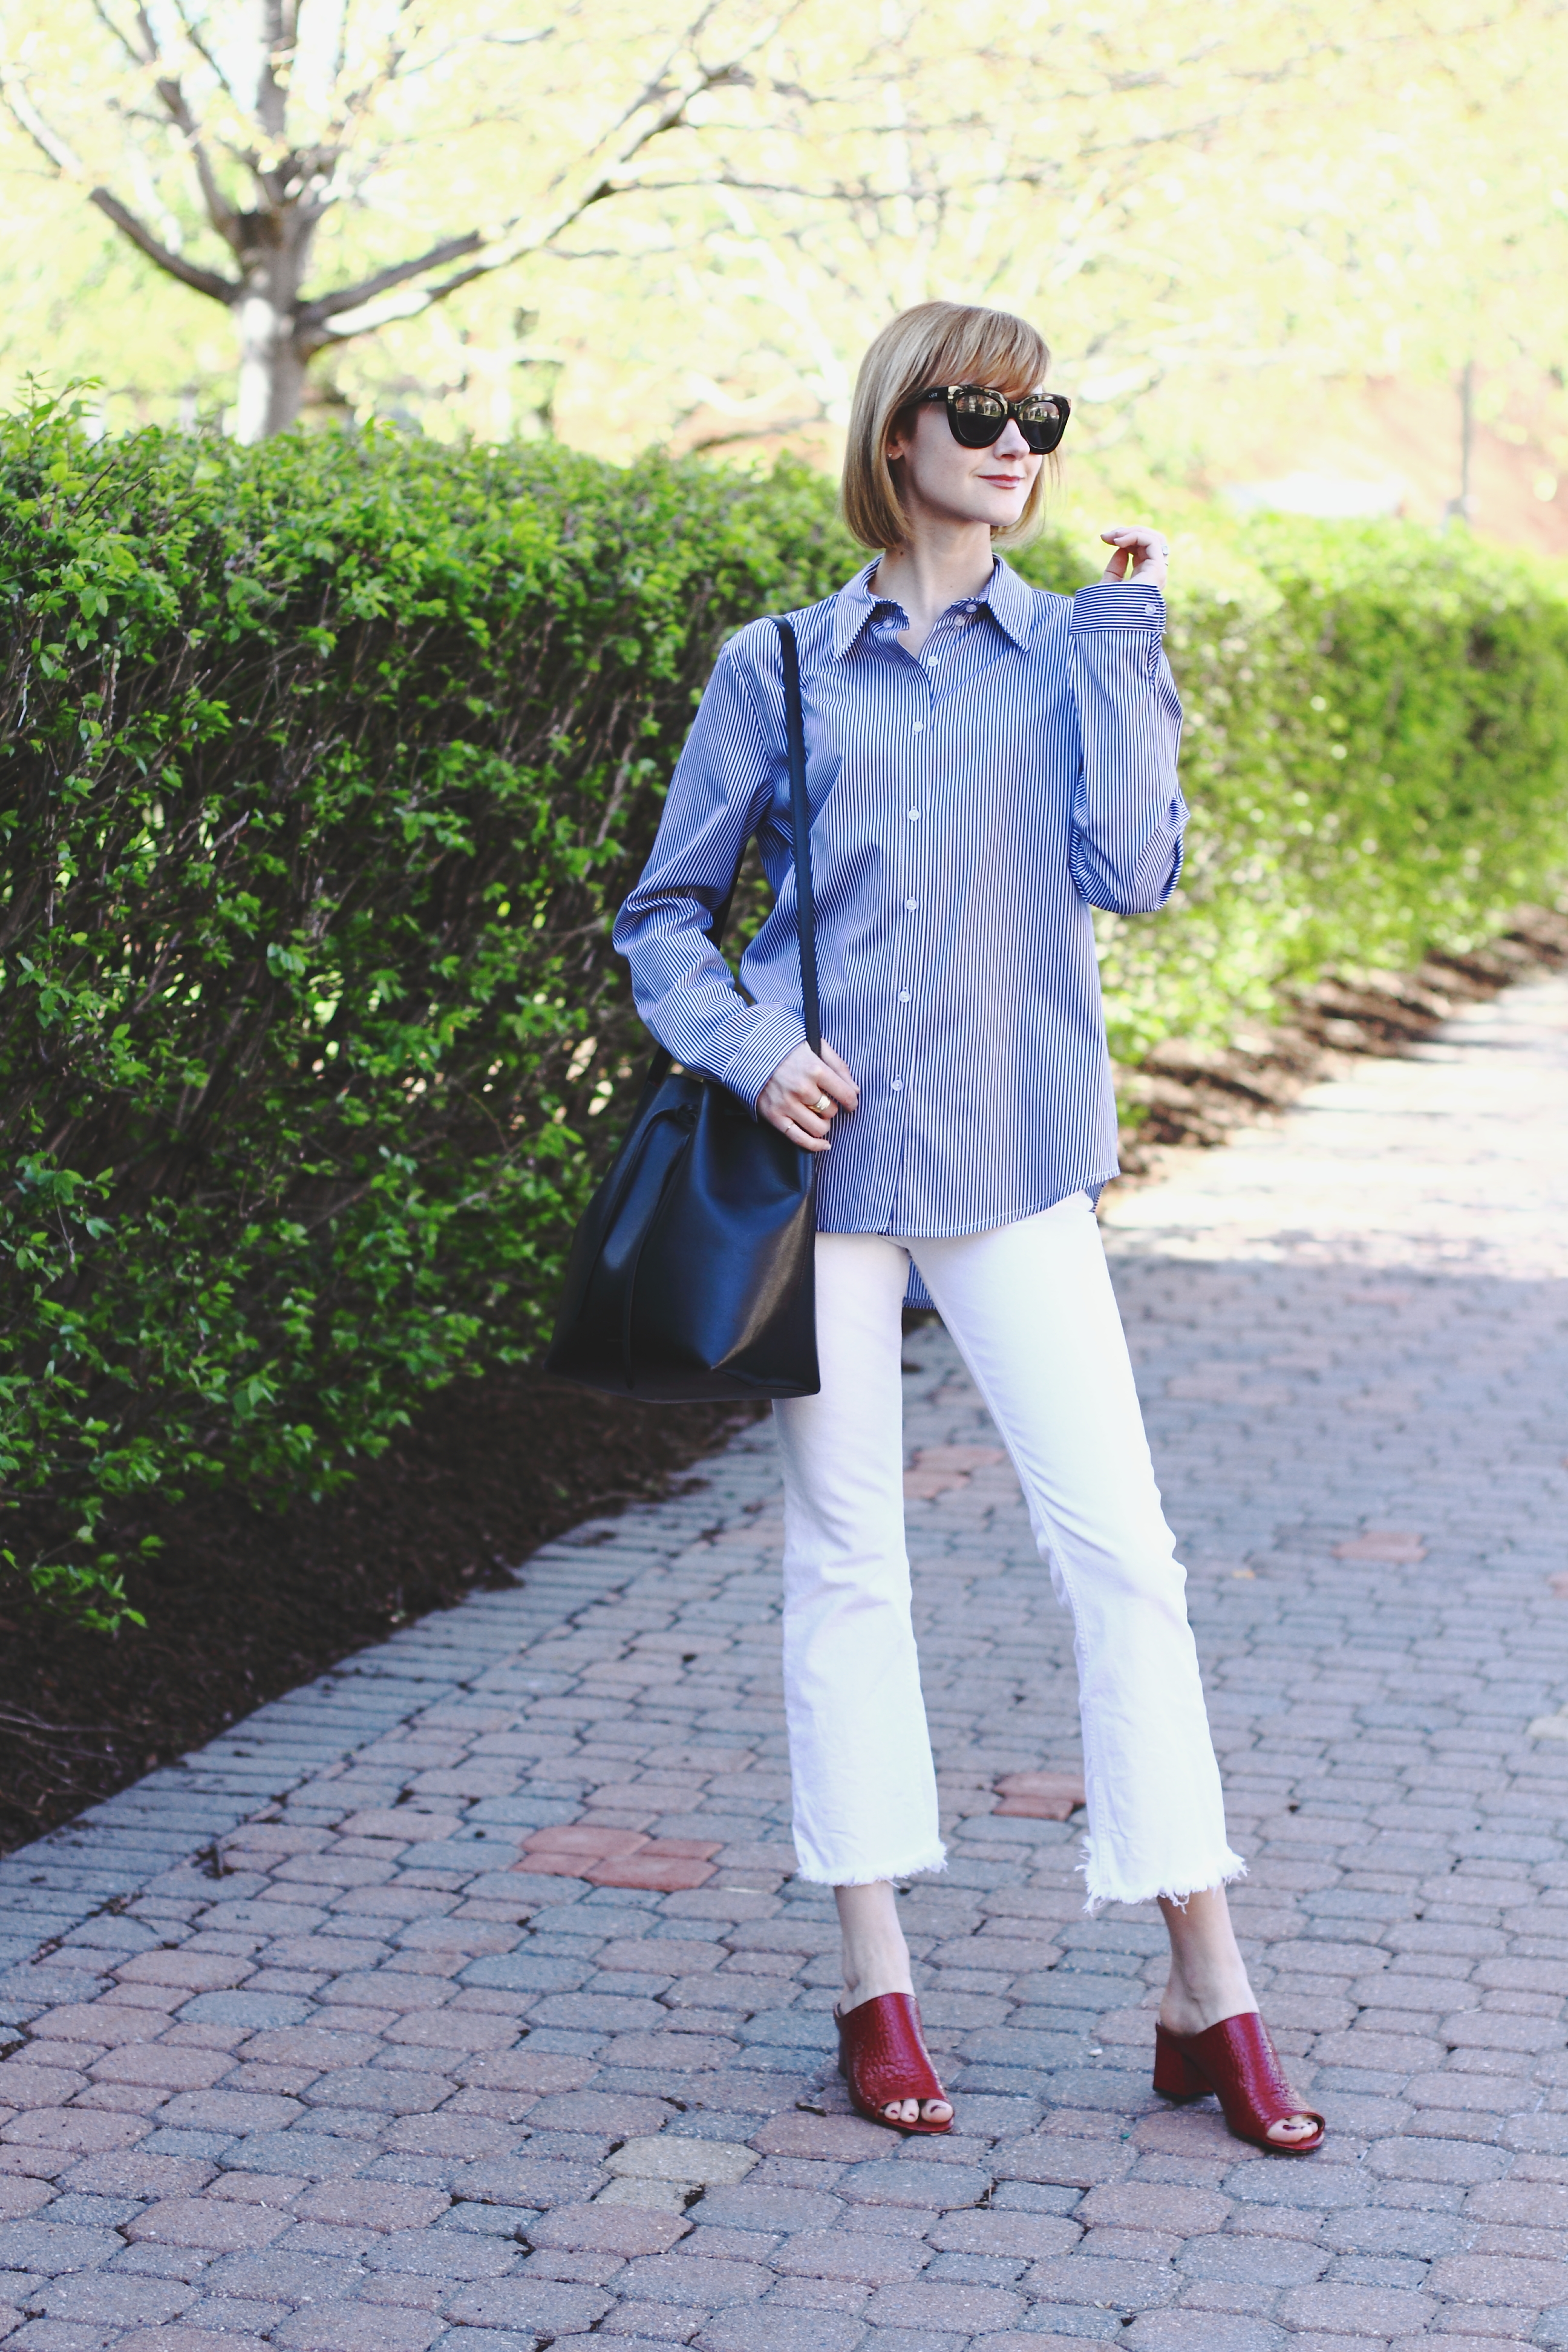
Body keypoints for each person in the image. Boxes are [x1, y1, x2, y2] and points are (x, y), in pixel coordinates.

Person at [613, 300, 1323, 2154]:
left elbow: (1140, 873)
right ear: (897, 433)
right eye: (980, 410)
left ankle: (1208, 1981)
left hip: (1015, 1164)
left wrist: (1131, 645)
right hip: (828, 1175)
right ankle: (876, 1977)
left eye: (1043, 418)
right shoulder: (778, 666)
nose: (1019, 444)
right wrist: (758, 1052)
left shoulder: (1068, 646)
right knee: (851, 1566)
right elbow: (666, 920)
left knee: (1130, 1562)